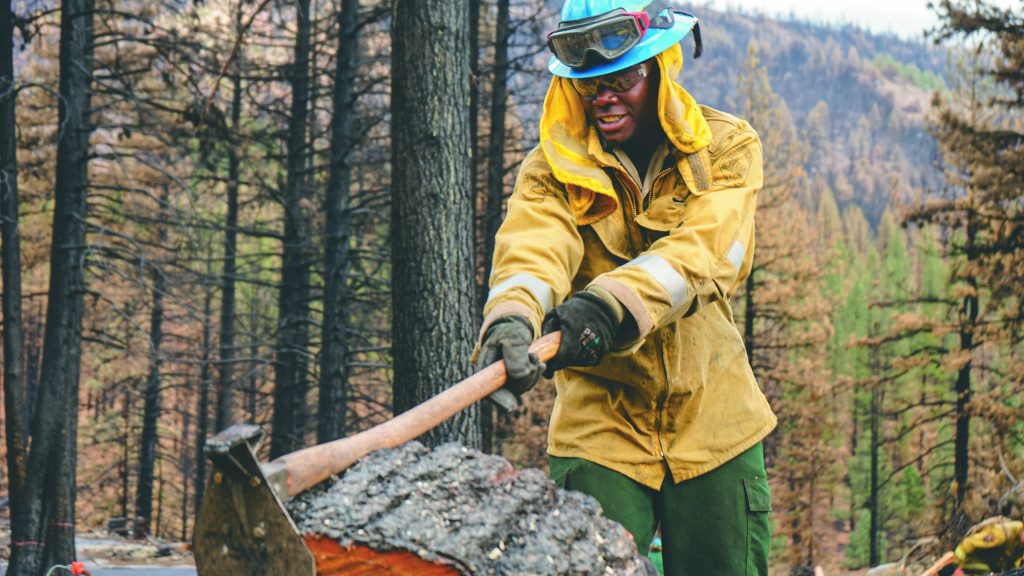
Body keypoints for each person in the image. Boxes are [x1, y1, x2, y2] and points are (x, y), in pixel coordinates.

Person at [474, 0, 777, 573]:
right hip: (599, 429)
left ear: (660, 68)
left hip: (715, 421)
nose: (604, 96)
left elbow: (706, 252)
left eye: (622, 78)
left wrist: (610, 306)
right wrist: (513, 316)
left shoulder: (726, 149)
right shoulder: (550, 170)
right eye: (588, 85)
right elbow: (532, 248)